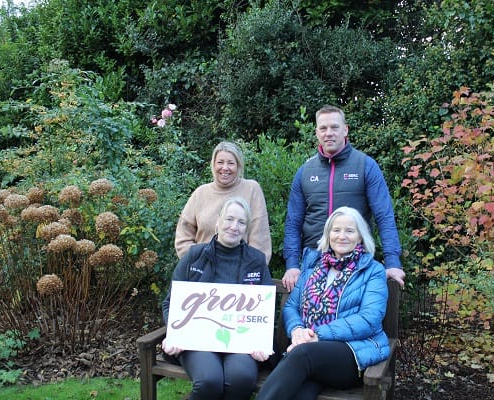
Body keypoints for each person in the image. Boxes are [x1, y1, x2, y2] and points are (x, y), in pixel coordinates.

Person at [257, 206, 389, 400]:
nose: (342, 236)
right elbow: (291, 306)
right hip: (308, 355)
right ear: (328, 235)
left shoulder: (373, 271)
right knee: (302, 392)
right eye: (336, 230)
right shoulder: (313, 266)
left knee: (302, 356)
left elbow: (369, 319)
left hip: (351, 353)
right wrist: (296, 331)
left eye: (349, 231)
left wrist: (316, 336)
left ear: (360, 237)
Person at [282, 105, 404, 291]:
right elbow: (293, 223)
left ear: (345, 129)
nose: (328, 133)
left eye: (334, 127)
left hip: (356, 260)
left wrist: (392, 262)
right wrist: (291, 265)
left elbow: (384, 216)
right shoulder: (305, 172)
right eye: (323, 128)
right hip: (313, 260)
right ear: (316, 132)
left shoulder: (366, 165)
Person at [162, 197, 274, 400]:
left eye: (241, 222)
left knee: (241, 378)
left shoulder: (256, 260)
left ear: (247, 228)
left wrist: (261, 342)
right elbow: (170, 303)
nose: (234, 226)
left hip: (241, 343)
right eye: (229, 219)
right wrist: (175, 334)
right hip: (197, 340)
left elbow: (265, 310)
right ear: (218, 221)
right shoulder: (194, 256)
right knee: (209, 381)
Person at [174, 141, 272, 264]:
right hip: (202, 272)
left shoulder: (252, 189)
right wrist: (200, 262)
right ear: (213, 165)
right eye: (220, 162)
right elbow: (183, 238)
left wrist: (246, 270)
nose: (225, 168)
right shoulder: (200, 193)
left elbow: (260, 241)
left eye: (231, 163)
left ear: (238, 165)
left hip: (240, 272)